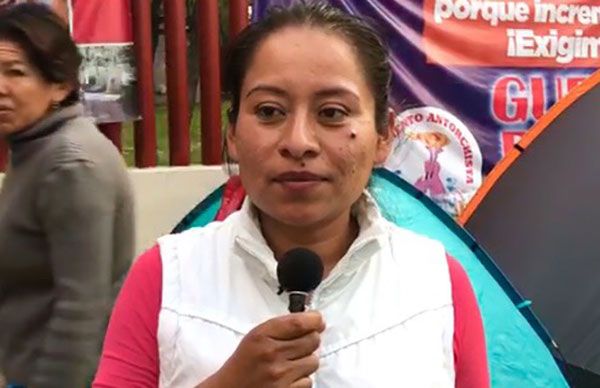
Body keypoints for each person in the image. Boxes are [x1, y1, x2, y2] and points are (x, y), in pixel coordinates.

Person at [94, 2, 489, 387]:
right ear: (233, 133)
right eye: (269, 111)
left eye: (332, 112)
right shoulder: (167, 276)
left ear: (383, 134)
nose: (298, 142)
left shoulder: (438, 283)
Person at [0, 4, 135, 387]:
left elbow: (82, 311)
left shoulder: (70, 165)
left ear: (60, 84)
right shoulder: (34, 148)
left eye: (16, 72)